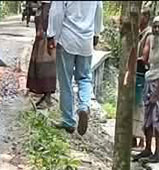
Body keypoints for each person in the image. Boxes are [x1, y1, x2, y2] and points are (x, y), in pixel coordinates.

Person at [47, 0, 104, 135]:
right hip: (86, 41)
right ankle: (84, 106)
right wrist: (96, 33)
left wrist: (51, 35)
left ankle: (68, 120)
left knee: (66, 81)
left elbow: (57, 12)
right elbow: (99, 10)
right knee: (85, 78)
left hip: (67, 39)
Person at [134, 15, 159, 164]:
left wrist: (157, 94)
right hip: (149, 79)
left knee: (157, 118)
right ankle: (147, 149)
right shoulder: (152, 41)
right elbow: (148, 61)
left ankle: (158, 152)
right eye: (155, 26)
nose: (157, 29)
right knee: (148, 117)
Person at [26, 1, 55, 108]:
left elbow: (49, 23)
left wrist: (45, 33)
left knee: (46, 65)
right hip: (42, 38)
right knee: (41, 65)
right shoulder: (42, 8)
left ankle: (47, 97)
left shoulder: (48, 8)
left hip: (46, 39)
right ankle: (45, 95)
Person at [132, 4, 152, 148]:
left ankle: (141, 139)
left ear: (145, 17)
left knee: (140, 105)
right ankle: (133, 136)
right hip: (137, 73)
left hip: (142, 73)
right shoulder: (138, 32)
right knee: (134, 105)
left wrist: (131, 60)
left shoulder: (148, 34)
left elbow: (145, 58)